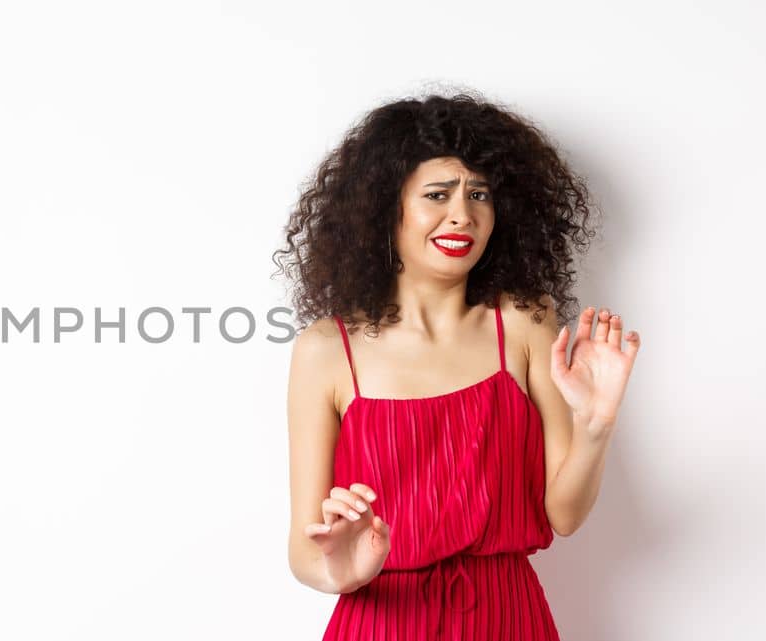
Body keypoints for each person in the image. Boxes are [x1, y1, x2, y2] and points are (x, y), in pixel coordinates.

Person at [274, 91, 641, 640]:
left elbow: (562, 514)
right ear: (385, 208)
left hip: (507, 620)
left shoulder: (523, 323)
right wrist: (341, 571)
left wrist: (596, 425)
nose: (462, 215)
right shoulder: (326, 350)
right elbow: (304, 551)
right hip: (381, 623)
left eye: (479, 194)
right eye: (437, 194)